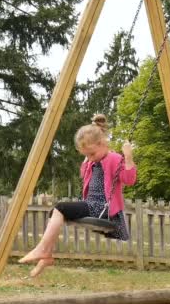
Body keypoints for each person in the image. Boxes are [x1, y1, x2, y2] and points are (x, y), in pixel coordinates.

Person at [18, 114, 137, 277]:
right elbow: (83, 174)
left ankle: (42, 250)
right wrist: (88, 159)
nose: (89, 158)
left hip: (102, 207)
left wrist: (128, 157)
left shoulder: (114, 158)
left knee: (60, 208)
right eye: (86, 155)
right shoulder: (92, 161)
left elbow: (129, 180)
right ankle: (47, 256)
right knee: (54, 213)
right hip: (91, 204)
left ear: (102, 144)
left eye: (92, 154)